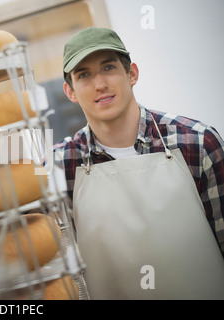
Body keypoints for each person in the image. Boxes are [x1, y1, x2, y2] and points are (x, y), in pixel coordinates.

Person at [53, 27, 224, 299]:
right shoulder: (59, 166)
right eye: (84, 75)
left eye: (108, 68)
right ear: (70, 91)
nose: (99, 85)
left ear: (131, 74)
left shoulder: (198, 142)